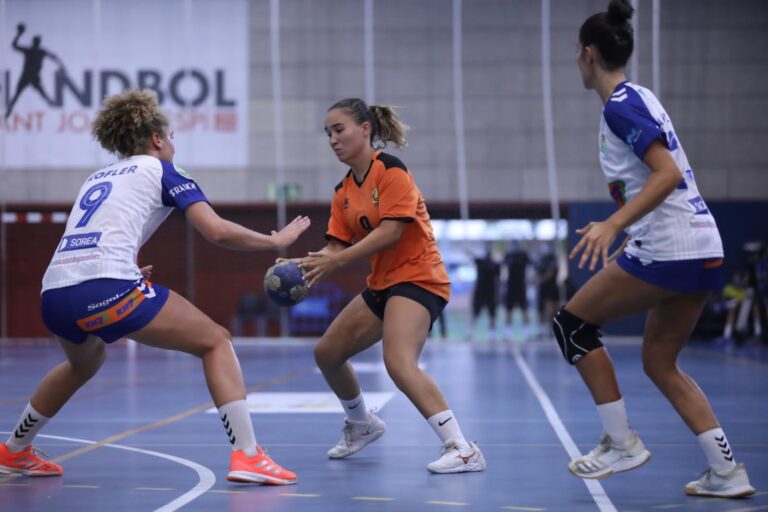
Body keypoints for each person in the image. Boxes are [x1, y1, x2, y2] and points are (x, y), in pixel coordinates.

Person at [0, 89, 310, 485]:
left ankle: (15, 448)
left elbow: (93, 238)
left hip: (54, 293)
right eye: (173, 137)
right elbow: (214, 230)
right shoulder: (161, 169)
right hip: (105, 287)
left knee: (84, 362)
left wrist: (124, 268)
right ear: (157, 139)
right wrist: (274, 241)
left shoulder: (95, 178)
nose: (174, 145)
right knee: (216, 341)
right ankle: (249, 456)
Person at [555, 0, 755, 498]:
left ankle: (621, 442)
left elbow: (665, 174)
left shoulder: (622, 106)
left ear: (587, 54)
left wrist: (613, 224)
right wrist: (630, 226)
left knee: (572, 325)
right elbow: (658, 182)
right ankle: (728, 472)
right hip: (697, 244)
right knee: (660, 361)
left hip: (672, 246)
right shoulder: (637, 98)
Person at [297, 98, 485, 473]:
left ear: (365, 130)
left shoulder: (391, 171)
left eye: (339, 130)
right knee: (327, 354)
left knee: (398, 362)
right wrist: (305, 264)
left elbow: (391, 232)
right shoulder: (344, 191)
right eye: (328, 134)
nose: (333, 139)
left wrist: (338, 259)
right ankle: (362, 423)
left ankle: (462, 448)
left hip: (419, 278)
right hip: (383, 285)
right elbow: (337, 245)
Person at [469, 242, 501, 340]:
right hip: (480, 291)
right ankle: (470, 333)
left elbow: (498, 279)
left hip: (491, 292)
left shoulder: (495, 264)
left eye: (489, 245)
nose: (487, 247)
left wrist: (498, 292)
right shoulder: (480, 261)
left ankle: (492, 334)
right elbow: (471, 256)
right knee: (475, 312)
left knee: (492, 313)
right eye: (486, 245)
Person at [502, 241, 530, 335]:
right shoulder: (508, 255)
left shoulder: (523, 255)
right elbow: (503, 268)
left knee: (524, 309)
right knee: (508, 310)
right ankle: (508, 333)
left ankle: (526, 333)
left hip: (521, 286)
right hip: (511, 287)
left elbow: (531, 265)